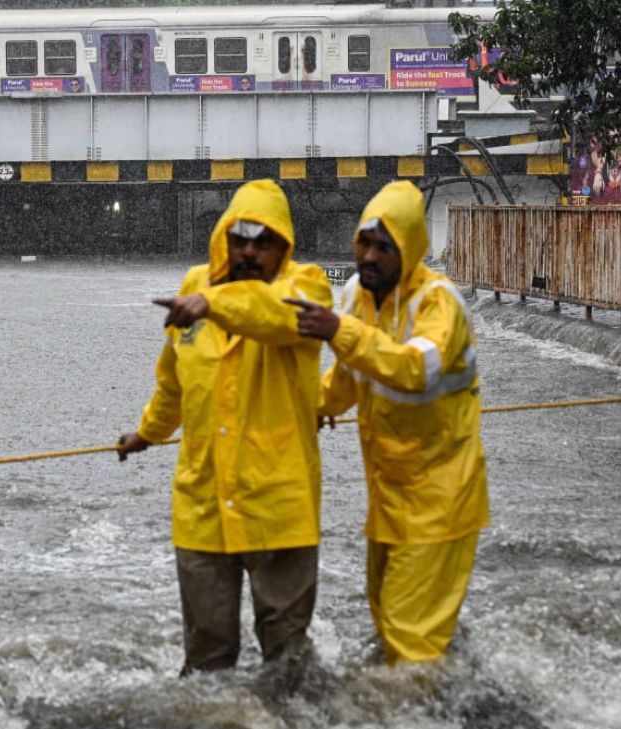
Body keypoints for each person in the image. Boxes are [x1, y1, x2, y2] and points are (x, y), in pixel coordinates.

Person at [117, 179, 332, 675]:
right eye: (240, 239)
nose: (250, 251)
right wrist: (148, 433)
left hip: (278, 507)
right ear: (223, 240)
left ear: (284, 246)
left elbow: (273, 317)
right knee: (207, 660)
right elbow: (174, 380)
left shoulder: (307, 286)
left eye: (264, 241)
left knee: (287, 659)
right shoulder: (195, 287)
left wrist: (215, 305)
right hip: (203, 506)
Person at [287, 180, 489, 666]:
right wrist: (297, 411)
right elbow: (347, 380)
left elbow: (414, 370)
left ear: (412, 249)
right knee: (387, 621)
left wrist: (339, 330)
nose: (371, 257)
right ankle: (445, 693)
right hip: (389, 499)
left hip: (441, 503)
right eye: (365, 244)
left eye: (385, 248)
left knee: (409, 639)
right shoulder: (360, 294)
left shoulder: (439, 305)